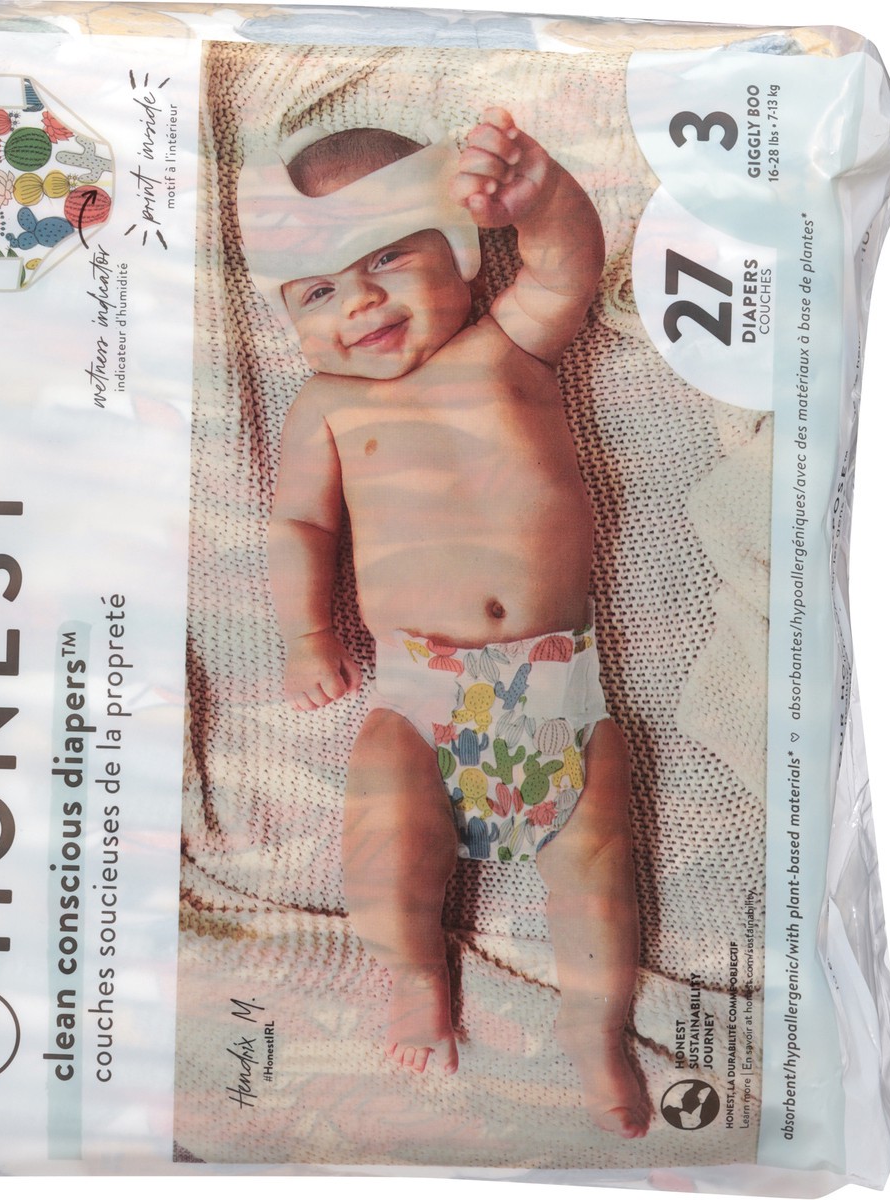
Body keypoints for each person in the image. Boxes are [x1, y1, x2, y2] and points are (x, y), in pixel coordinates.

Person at [239, 107, 648, 1138]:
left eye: (389, 259)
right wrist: (306, 637)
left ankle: (595, 1028)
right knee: (383, 858)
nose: (361, 301)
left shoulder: (506, 345)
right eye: (318, 291)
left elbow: (564, 267)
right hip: (418, 705)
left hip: (558, 692)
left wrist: (542, 199)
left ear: (460, 251)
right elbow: (298, 523)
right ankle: (412, 973)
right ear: (289, 318)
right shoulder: (326, 405)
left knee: (599, 879)